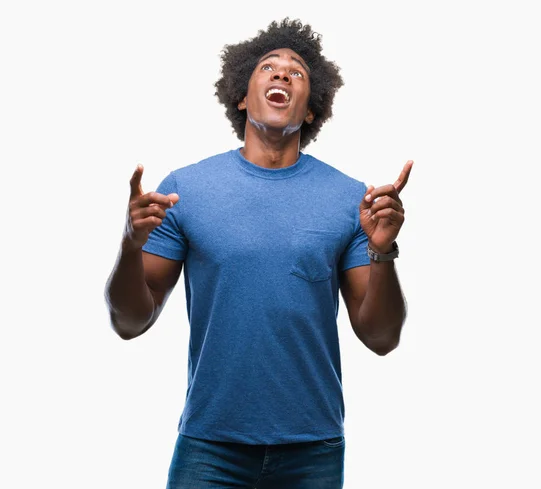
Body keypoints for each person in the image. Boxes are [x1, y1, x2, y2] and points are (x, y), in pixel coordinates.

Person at [105, 18, 413, 489]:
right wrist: (130, 245)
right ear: (242, 97)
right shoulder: (186, 190)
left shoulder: (349, 198)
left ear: (311, 110)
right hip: (210, 446)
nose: (282, 74)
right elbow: (129, 322)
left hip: (312, 448)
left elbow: (381, 337)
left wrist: (383, 250)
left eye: (297, 73)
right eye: (268, 67)